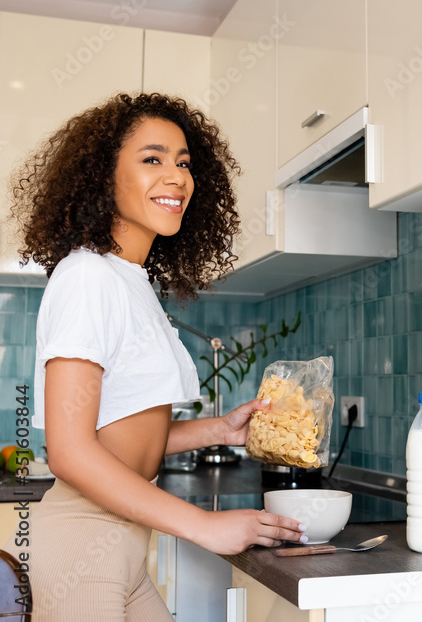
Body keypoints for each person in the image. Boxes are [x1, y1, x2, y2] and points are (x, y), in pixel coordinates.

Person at [4, 93, 306, 621]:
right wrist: (204, 523)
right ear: (103, 177)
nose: (177, 177)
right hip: (82, 542)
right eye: (152, 159)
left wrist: (218, 431)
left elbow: (119, 432)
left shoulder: (130, 280)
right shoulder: (87, 276)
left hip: (121, 544)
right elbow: (70, 453)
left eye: (184, 162)